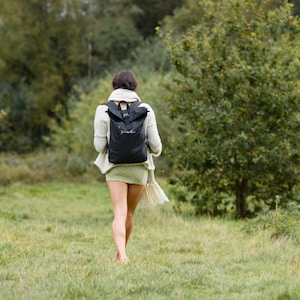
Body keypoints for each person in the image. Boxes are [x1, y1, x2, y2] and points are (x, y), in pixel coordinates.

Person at [93, 70, 162, 263]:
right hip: (139, 166)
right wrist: (151, 151)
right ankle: (120, 254)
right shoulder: (146, 108)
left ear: (114, 85)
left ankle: (121, 255)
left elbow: (99, 146)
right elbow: (156, 145)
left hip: (115, 167)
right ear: (135, 86)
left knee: (119, 212)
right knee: (130, 214)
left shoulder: (103, 110)